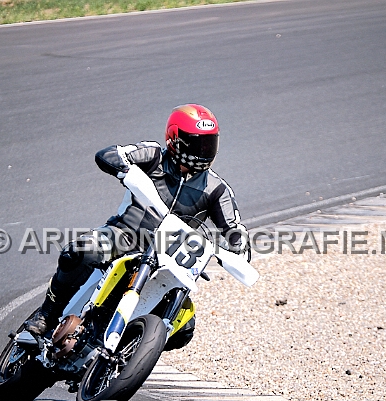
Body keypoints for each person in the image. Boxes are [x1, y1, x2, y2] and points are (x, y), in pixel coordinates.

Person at [25, 104, 247, 347]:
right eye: (198, 144)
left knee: (184, 328)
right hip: (125, 235)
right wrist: (125, 170)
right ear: (176, 140)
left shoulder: (217, 189)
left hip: (170, 260)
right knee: (81, 251)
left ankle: (127, 353)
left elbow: (234, 228)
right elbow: (110, 154)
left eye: (209, 143)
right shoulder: (153, 155)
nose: (204, 151)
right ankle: (47, 314)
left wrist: (238, 250)